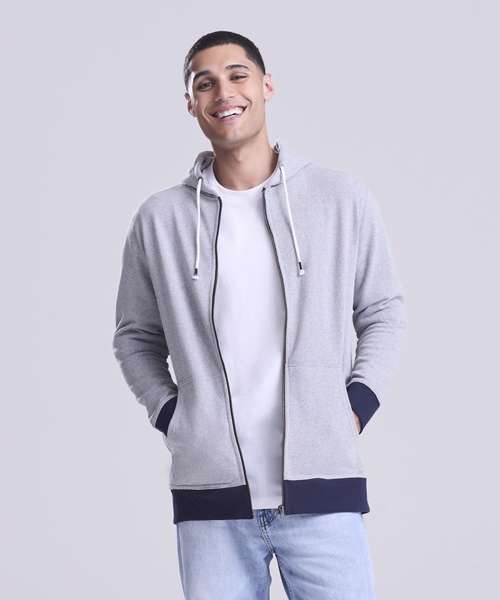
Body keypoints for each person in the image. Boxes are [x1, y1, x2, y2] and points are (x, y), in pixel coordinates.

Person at [113, 30, 407, 600]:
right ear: (191, 104)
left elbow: (383, 309)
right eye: (205, 83)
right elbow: (135, 336)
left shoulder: (339, 198)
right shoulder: (160, 219)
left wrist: (357, 402)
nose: (223, 91)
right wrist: (173, 416)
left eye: (237, 75)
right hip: (212, 501)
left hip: (322, 489)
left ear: (267, 85)